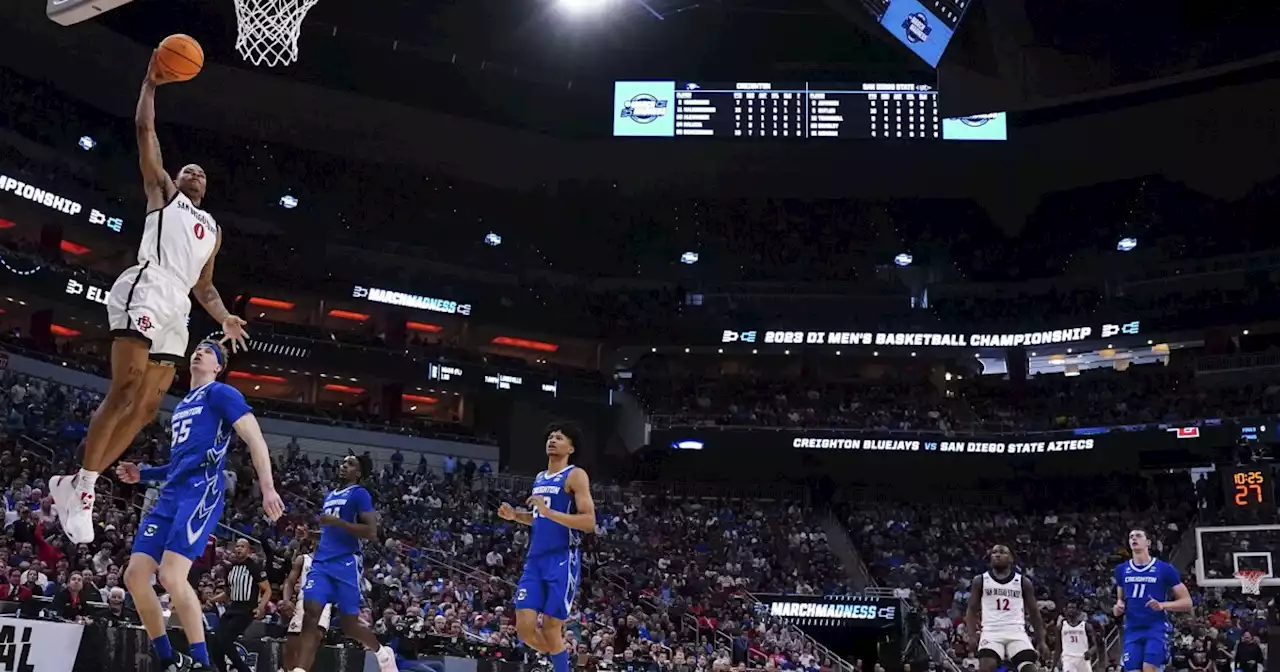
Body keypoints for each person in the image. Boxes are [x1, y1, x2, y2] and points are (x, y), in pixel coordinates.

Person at [48, 48, 250, 545]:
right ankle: (87, 486)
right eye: (189, 169)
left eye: (202, 172)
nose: (195, 172)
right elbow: (145, 134)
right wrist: (151, 85)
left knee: (145, 408)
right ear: (176, 179)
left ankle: (74, 483)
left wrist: (224, 318)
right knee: (125, 385)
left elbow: (204, 285)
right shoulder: (162, 192)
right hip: (148, 284)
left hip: (179, 303)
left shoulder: (213, 229)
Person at [115, 341, 284, 672]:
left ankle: (203, 664)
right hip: (171, 492)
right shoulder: (181, 406)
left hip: (201, 490)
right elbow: (178, 463)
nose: (199, 352)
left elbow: (255, 438)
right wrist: (143, 473)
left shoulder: (220, 393)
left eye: (208, 351)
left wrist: (267, 488)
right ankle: (169, 660)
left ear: (218, 367)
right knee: (134, 575)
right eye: (198, 348)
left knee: (170, 575)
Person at [497, 423, 598, 672]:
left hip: (562, 558)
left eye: (559, 437)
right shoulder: (540, 477)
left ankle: (559, 664)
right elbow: (539, 518)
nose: (552, 440)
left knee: (552, 628)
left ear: (571, 447)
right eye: (550, 437)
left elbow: (589, 522)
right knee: (524, 630)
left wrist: (548, 511)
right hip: (535, 559)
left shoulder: (576, 475)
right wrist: (516, 516)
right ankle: (560, 660)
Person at [287, 456, 397, 672]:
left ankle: (382, 652)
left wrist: (339, 522)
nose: (343, 466)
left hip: (346, 562)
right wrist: (311, 535)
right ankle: (300, 670)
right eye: (343, 463)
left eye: (350, 464)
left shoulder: (360, 494)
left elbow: (371, 532)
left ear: (358, 473)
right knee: (310, 615)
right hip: (321, 563)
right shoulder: (330, 496)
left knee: (349, 624)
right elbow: (330, 533)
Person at [1113, 528, 1192, 672]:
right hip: (1132, 629)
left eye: (1138, 536)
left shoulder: (1165, 569)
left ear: (1148, 542)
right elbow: (1119, 601)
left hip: (1155, 628)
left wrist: (1163, 605)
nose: (1134, 539)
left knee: (1149, 668)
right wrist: (1118, 607)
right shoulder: (1121, 570)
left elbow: (1187, 603)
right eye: (1131, 536)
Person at [964, 545, 1048, 672]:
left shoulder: (1023, 582)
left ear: (1011, 559)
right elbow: (971, 610)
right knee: (987, 666)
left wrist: (1041, 641)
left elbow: (1034, 613)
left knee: (1030, 668)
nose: (997, 555)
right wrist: (971, 635)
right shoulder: (980, 580)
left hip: (1016, 631)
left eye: (1002, 552)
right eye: (994, 552)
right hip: (991, 631)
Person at [211, 538, 270, 672]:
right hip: (232, 608)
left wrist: (261, 607)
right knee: (215, 640)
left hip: (246, 609)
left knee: (225, 639)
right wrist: (212, 600)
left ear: (249, 551)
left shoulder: (255, 567)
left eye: (242, 546)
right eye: (237, 546)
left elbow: (267, 590)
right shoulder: (230, 568)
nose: (238, 549)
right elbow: (227, 593)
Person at [279, 537, 331, 672]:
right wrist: (286, 600)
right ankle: (288, 669)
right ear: (313, 542)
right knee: (292, 642)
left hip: (323, 604)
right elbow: (290, 582)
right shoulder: (303, 559)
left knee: (313, 639)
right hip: (302, 601)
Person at [1054, 601, 1099, 672]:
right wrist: (1054, 664)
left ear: (1078, 611)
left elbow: (1095, 645)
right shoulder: (1061, 626)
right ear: (1066, 610)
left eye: (1073, 608)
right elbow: (1058, 647)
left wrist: (1090, 652)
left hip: (1082, 658)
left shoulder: (1086, 626)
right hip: (1068, 658)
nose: (1071, 610)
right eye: (1069, 608)